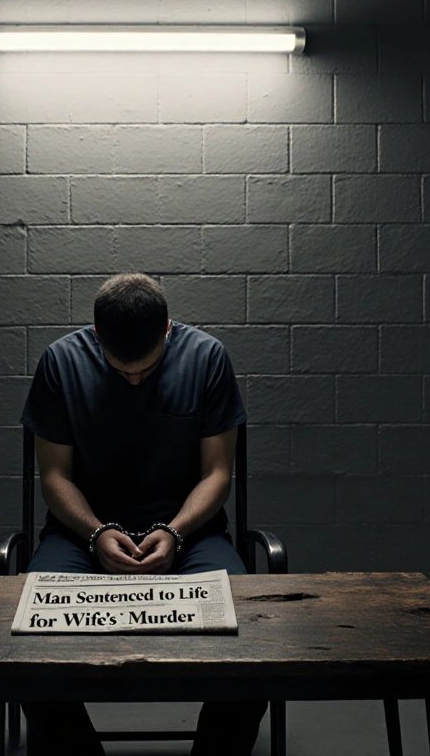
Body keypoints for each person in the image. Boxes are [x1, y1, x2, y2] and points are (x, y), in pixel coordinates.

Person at [18, 273, 267, 755]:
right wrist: (96, 533)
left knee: (252, 648)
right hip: (79, 536)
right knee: (27, 654)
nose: (134, 380)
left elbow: (217, 474)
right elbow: (55, 478)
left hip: (192, 535)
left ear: (168, 330)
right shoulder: (61, 362)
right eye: (121, 370)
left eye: (146, 370)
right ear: (96, 335)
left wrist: (174, 531)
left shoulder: (207, 357)